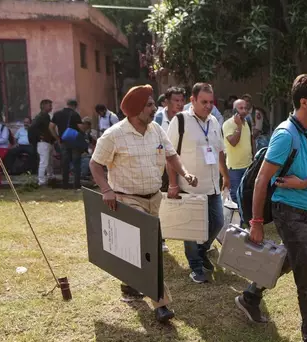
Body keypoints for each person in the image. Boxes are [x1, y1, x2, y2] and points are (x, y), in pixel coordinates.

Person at [235, 74, 307, 342]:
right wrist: (256, 222)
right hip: (287, 211)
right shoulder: (285, 135)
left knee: (289, 260)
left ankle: (250, 297)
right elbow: (261, 181)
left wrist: (303, 184)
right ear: (303, 102)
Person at [90, 84, 198, 324]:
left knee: (138, 250)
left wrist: (185, 173)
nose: (153, 108)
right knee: (149, 250)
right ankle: (161, 303)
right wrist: (106, 190)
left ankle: (130, 284)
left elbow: (171, 155)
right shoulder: (114, 135)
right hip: (127, 199)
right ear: (136, 110)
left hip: (154, 198)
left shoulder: (156, 130)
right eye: (149, 105)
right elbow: (95, 165)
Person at [166, 83, 229, 284]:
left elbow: (219, 151)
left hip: (211, 185)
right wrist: (173, 184)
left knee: (218, 222)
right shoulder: (180, 121)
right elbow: (170, 154)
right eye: (204, 102)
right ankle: (195, 266)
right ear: (192, 100)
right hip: (189, 187)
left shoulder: (214, 122)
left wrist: (225, 175)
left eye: (211, 102)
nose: (208, 106)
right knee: (191, 230)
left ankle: (202, 253)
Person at [222, 99, 252, 203]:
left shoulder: (247, 122)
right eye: (241, 108)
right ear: (234, 110)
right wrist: (238, 126)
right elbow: (233, 142)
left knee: (246, 195)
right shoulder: (228, 124)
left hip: (248, 165)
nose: (244, 111)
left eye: (246, 108)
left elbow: (250, 140)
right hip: (234, 168)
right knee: (236, 197)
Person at [52, 99, 84, 189]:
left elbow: (51, 127)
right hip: (74, 142)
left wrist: (57, 138)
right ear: (75, 106)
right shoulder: (75, 114)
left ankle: (65, 184)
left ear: (67, 104)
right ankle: (76, 184)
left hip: (63, 141)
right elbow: (81, 127)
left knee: (65, 163)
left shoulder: (57, 114)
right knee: (76, 163)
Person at [29, 99, 59, 186]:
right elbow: (32, 128)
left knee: (49, 162)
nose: (51, 107)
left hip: (48, 142)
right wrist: (39, 136)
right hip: (43, 142)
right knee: (44, 162)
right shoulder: (41, 116)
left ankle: (51, 177)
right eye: (49, 105)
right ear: (43, 106)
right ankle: (41, 181)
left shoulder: (46, 116)